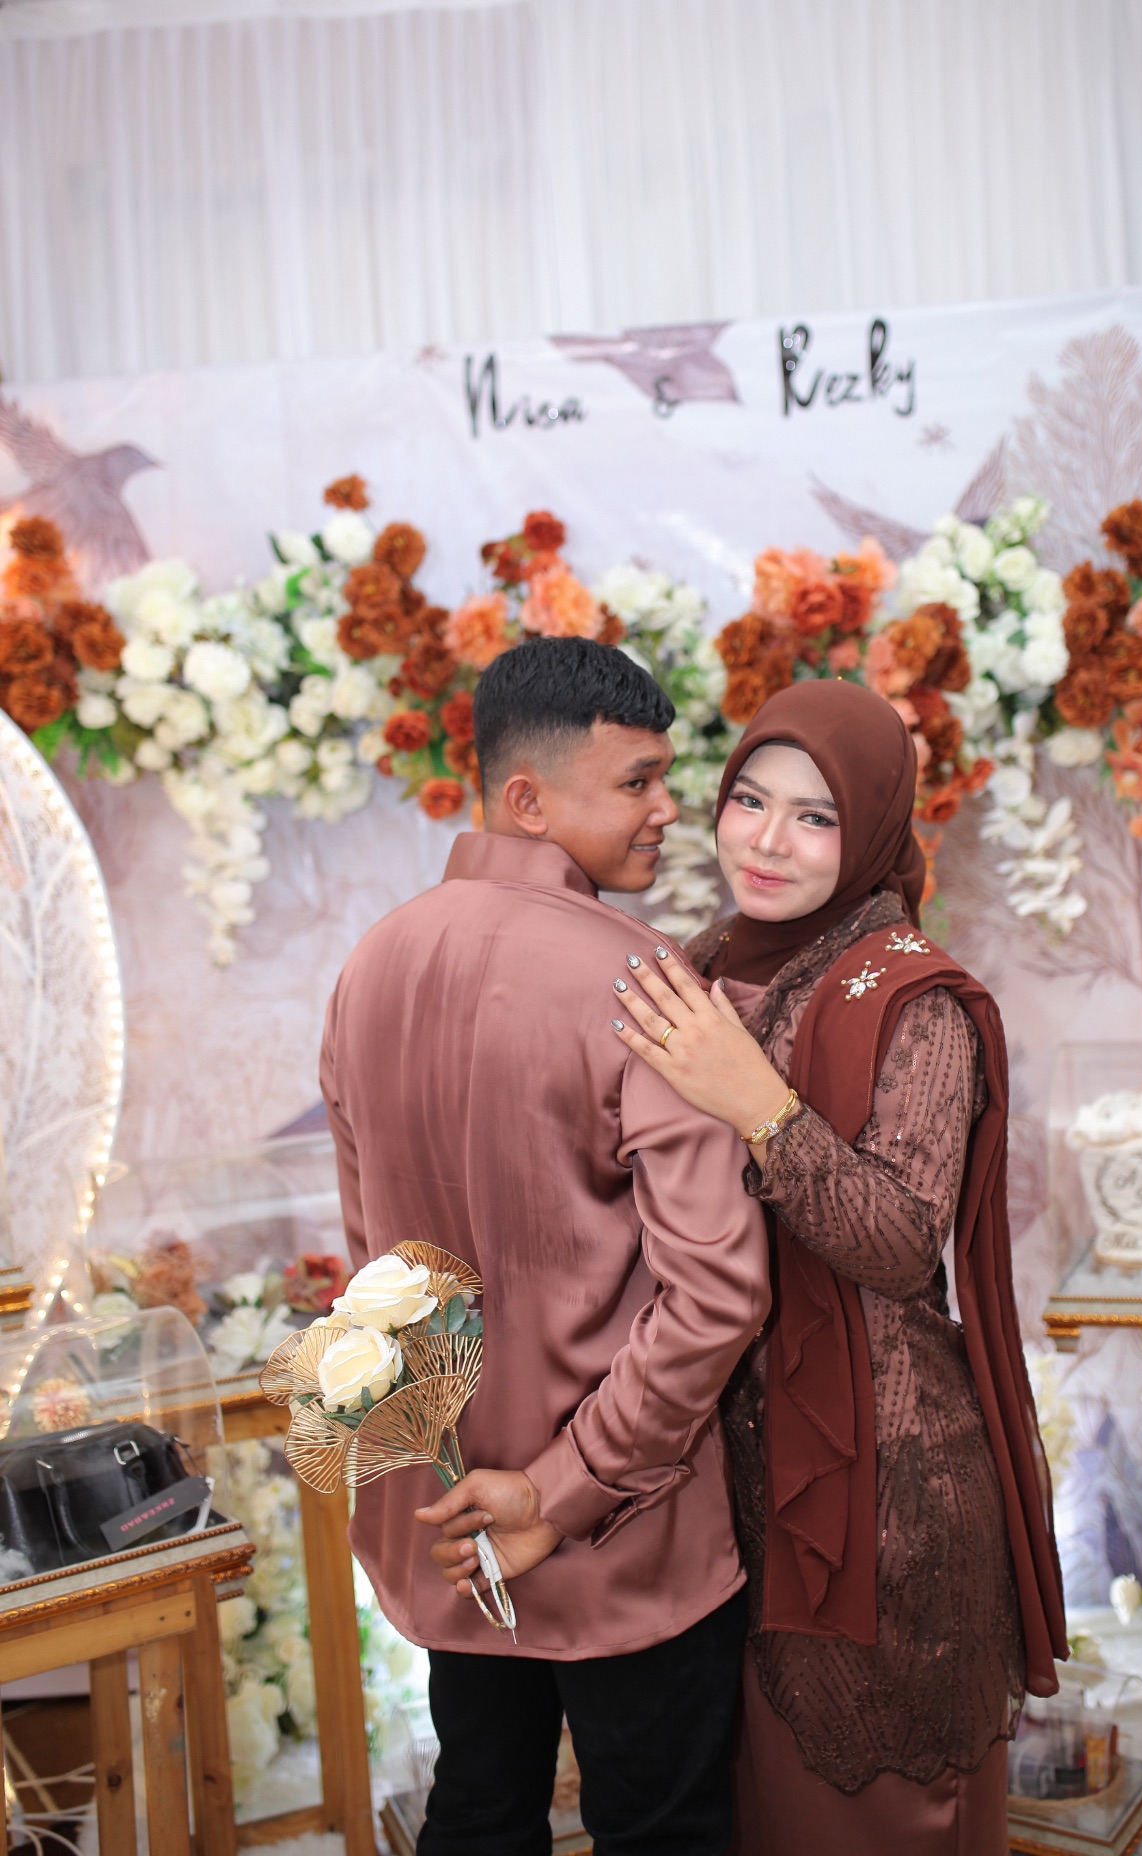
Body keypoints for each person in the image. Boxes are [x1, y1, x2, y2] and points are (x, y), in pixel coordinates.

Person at [320, 636, 770, 1856]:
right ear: (526, 798)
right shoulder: (642, 981)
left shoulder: (370, 964)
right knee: (662, 1830)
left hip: (446, 1518)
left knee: (478, 1810)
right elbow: (718, 1297)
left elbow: (375, 1277)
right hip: (620, 1528)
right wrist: (561, 1495)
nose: (669, 809)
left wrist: (463, 1485)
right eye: (635, 782)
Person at [608, 678, 1068, 1856]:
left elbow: (901, 1244)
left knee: (875, 1816)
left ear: (867, 828)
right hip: (724, 1479)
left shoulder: (916, 1002)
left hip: (886, 1491)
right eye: (749, 801)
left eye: (813, 817)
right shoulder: (698, 966)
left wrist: (758, 1106)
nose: (767, 841)